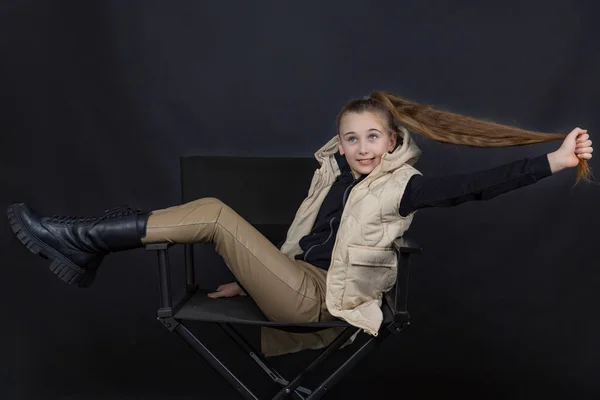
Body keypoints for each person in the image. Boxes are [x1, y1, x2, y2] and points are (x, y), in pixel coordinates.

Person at [6, 91, 594, 354]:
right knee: (216, 217)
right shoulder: (332, 175)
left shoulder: (401, 186)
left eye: (373, 137)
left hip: (320, 304)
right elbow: (307, 242)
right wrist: (254, 272)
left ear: (392, 141)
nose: (362, 148)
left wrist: (555, 159)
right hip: (294, 281)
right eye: (351, 137)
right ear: (339, 142)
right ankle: (81, 243)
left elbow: (474, 187)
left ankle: (82, 239)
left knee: (212, 212)